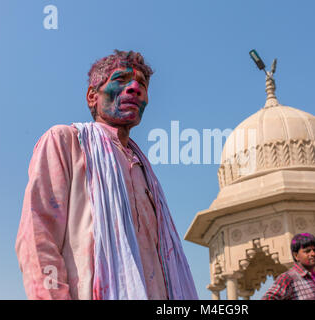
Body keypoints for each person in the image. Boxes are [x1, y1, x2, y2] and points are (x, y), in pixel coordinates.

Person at [15, 50, 198, 300]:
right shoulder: (66, 142)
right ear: (92, 96)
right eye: (121, 80)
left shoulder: (145, 171)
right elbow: (38, 237)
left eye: (142, 84)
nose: (135, 88)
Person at [262, 233, 315, 300]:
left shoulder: (313, 278)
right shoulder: (288, 278)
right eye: (307, 251)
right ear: (296, 256)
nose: (313, 254)